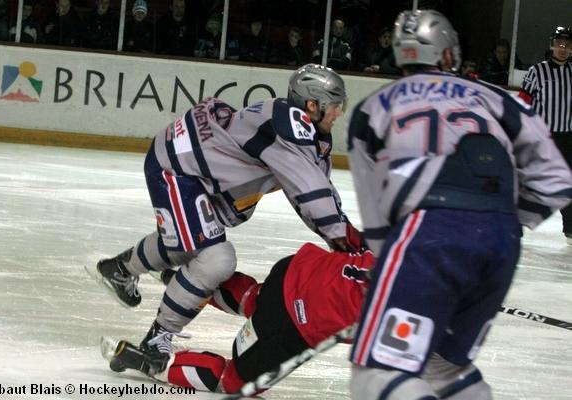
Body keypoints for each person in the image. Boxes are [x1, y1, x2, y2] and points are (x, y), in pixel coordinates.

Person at [346, 9, 572, 400]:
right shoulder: (494, 97)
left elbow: (375, 211)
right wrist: (506, 220)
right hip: (500, 239)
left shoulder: (373, 107)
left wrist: (385, 264)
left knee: (378, 373)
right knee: (445, 368)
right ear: (449, 54)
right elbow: (556, 180)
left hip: (428, 236)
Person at [90, 64, 362, 369]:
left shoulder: (306, 129)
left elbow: (318, 192)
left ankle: (120, 269)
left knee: (188, 243)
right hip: (179, 166)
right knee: (214, 259)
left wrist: (344, 234)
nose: (339, 113)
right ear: (312, 105)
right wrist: (347, 240)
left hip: (195, 167)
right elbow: (310, 194)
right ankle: (157, 339)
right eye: (335, 105)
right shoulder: (291, 127)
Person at [101, 242, 375, 393]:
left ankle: (186, 282)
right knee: (238, 381)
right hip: (296, 318)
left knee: (260, 300)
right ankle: (150, 361)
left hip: (296, 267)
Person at [519, 26, 572, 244]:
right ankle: (514, 225)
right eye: (559, 43)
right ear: (552, 45)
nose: (563, 48)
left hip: (568, 139)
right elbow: (523, 103)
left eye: (567, 44)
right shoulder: (537, 72)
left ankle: (571, 229)